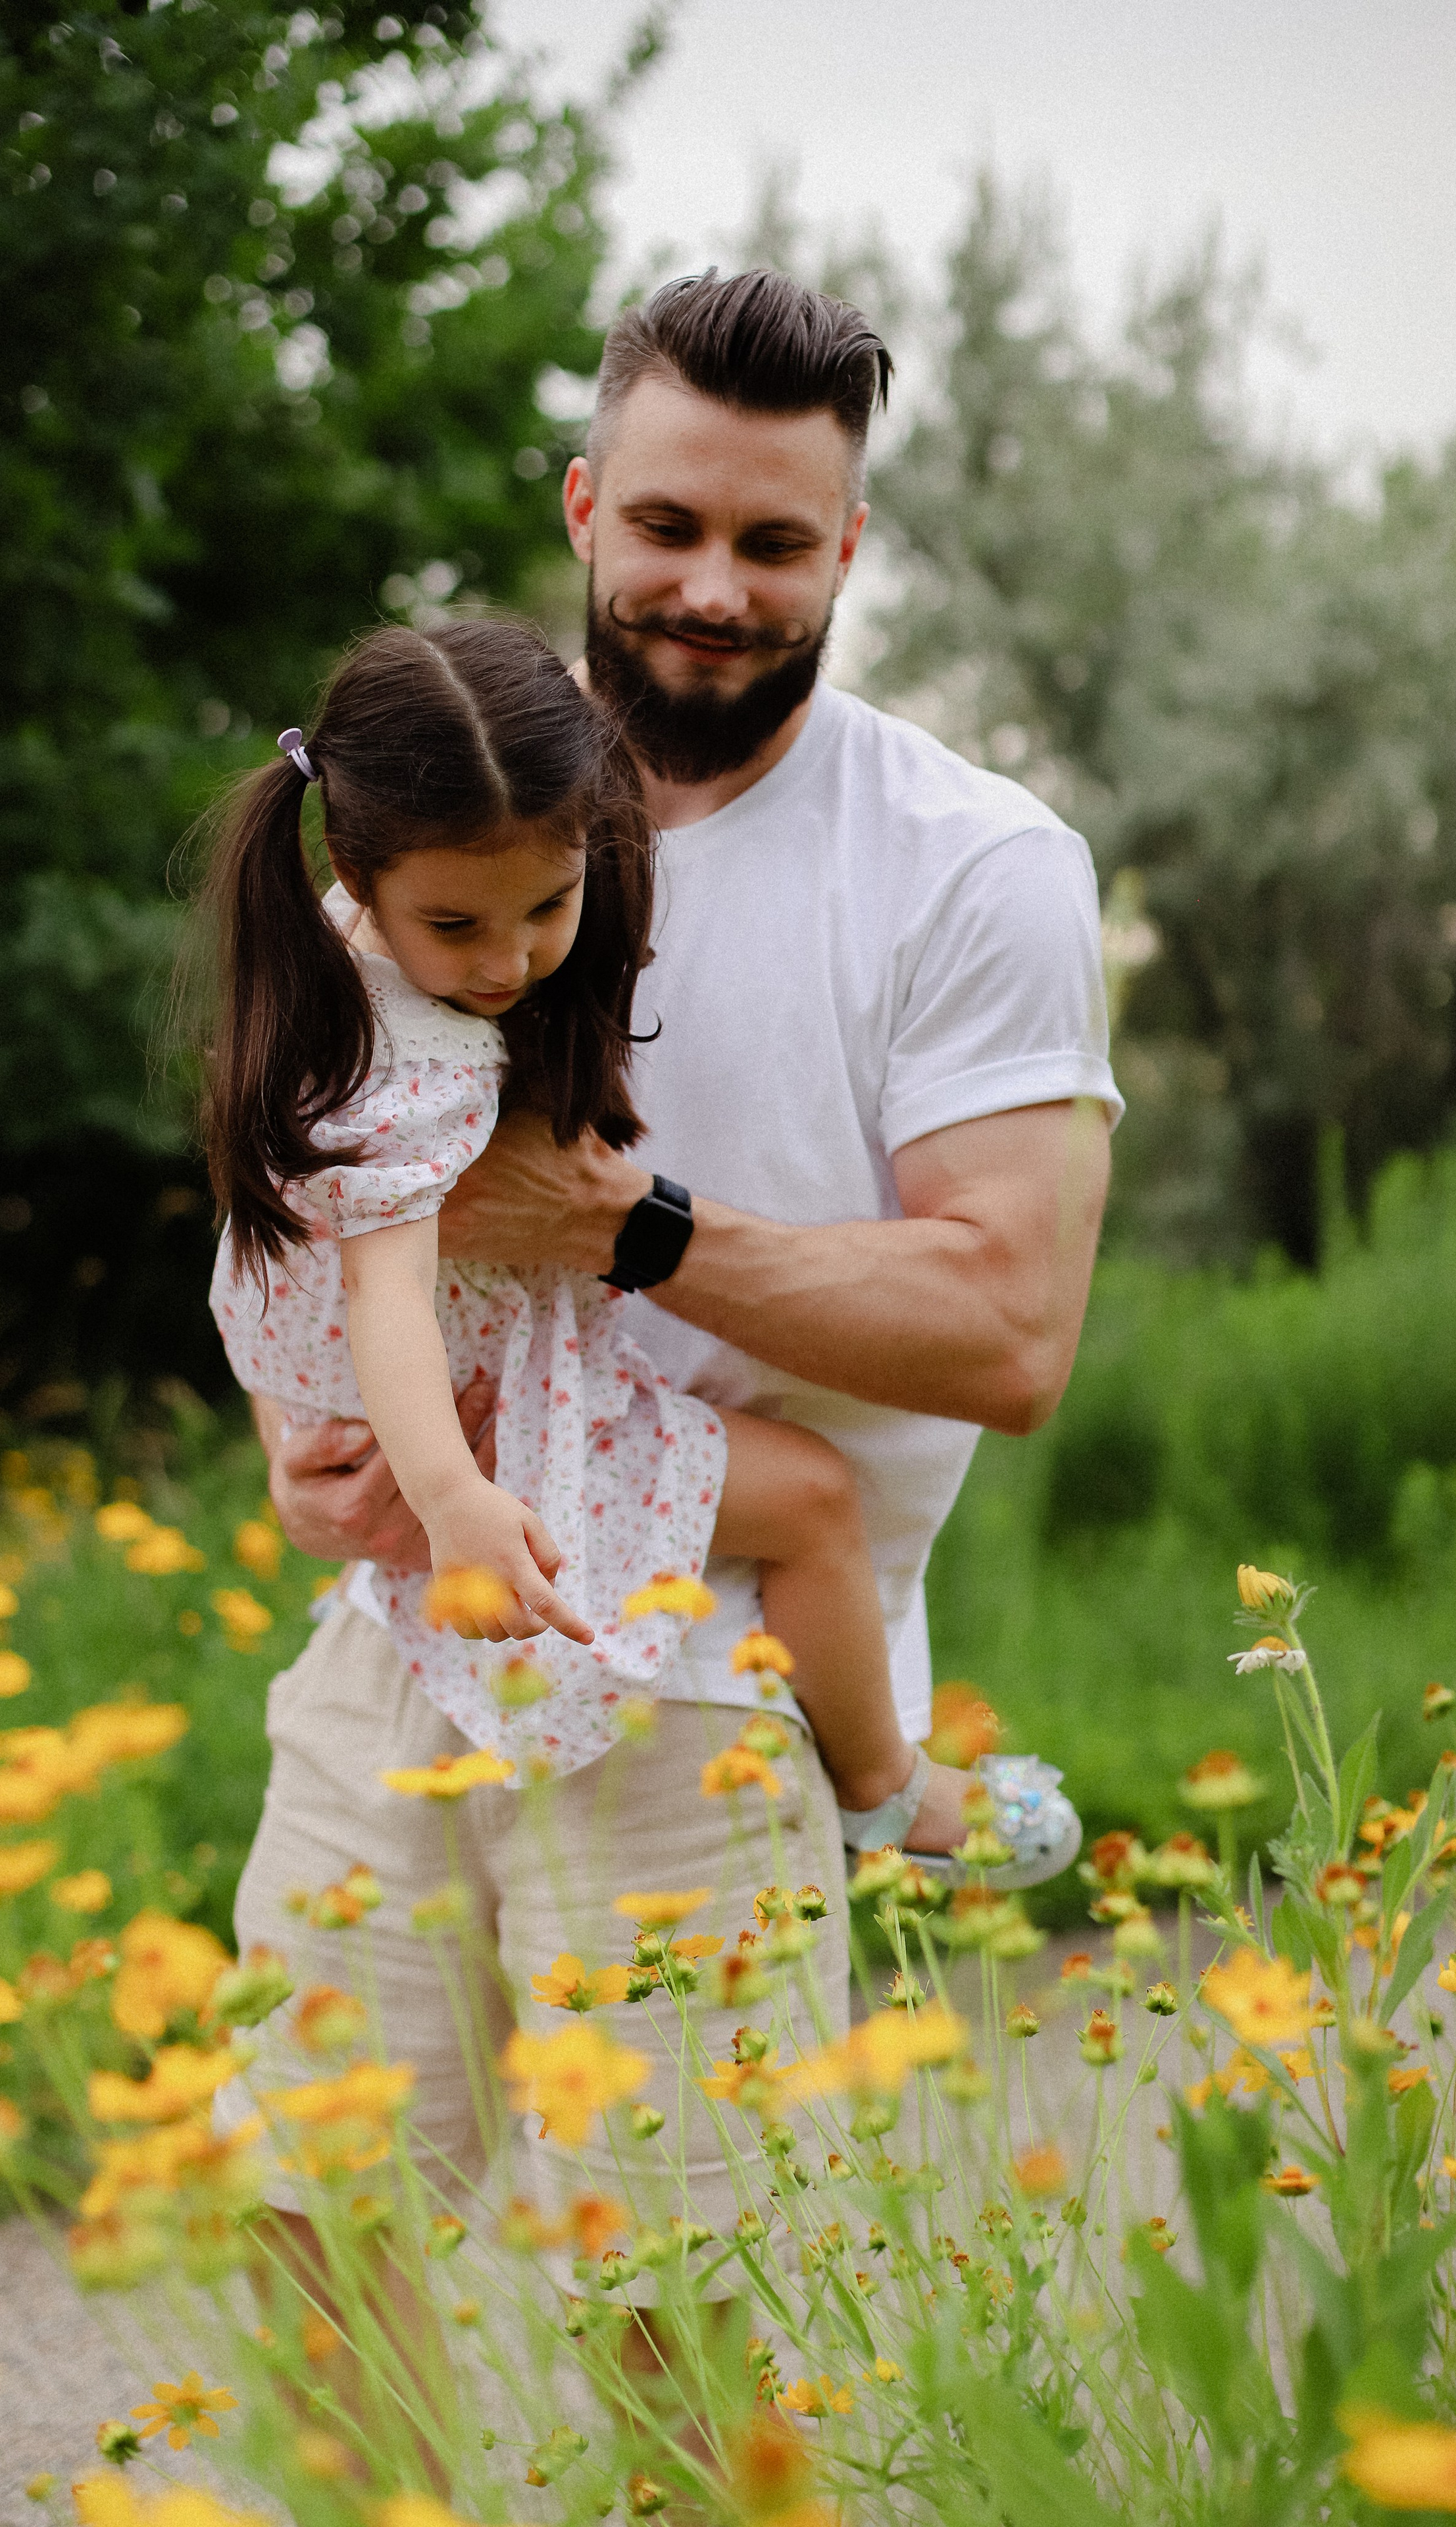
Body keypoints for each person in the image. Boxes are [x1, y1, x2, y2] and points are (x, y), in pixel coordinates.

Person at [228, 267, 1118, 2255]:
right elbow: (331, 1183)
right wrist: (311, 1432)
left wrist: (625, 1231)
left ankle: (900, 1797)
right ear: (579, 509)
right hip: (406, 1641)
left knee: (676, 2313)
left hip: (716, 1676)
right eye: (669, 526)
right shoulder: (450, 817)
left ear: (851, 547)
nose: (716, 584)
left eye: (775, 543)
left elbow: (1010, 1332)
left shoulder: (972, 864)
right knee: (299, 2249)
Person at [201, 612, 1009, 1842]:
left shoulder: (336, 944)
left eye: (547, 905)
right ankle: (889, 1790)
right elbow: (383, 1294)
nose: (509, 960)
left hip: (440, 1377)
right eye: (459, 928)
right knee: (812, 1500)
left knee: (802, 1500)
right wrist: (456, 1496)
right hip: (478, 1398)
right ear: (361, 875)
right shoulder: (392, 1065)